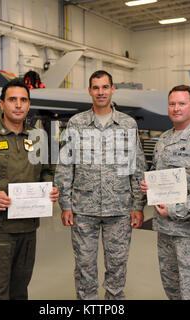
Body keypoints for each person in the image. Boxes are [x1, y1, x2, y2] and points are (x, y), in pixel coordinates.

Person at [54, 70, 146, 300]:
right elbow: (66, 166)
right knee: (84, 268)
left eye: (105, 87)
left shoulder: (127, 124)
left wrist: (138, 206)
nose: (101, 92)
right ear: (89, 91)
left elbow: (137, 167)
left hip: (120, 209)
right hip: (83, 210)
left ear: (113, 89)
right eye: (96, 87)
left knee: (117, 267)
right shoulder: (76, 124)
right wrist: (65, 204)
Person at [0, 78, 59, 300]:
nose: (18, 105)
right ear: (1, 104)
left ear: (28, 105)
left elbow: (46, 172)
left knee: (19, 289)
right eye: (12, 100)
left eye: (23, 100)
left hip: (28, 227)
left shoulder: (38, 138)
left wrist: (50, 189)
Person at [140, 85, 190, 300]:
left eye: (182, 103)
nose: (176, 108)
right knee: (172, 290)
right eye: (172, 104)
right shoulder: (163, 139)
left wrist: (173, 210)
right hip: (165, 232)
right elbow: (157, 174)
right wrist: (150, 187)